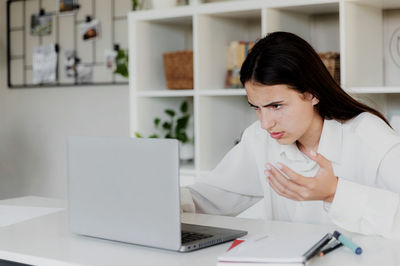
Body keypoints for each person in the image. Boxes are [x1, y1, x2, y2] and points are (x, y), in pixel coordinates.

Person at [180, 31, 400, 239]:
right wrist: (161, 201)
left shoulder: (369, 137)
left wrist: (334, 192)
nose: (265, 123)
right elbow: (211, 197)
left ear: (312, 93)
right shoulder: (260, 138)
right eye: (256, 107)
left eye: (276, 106)